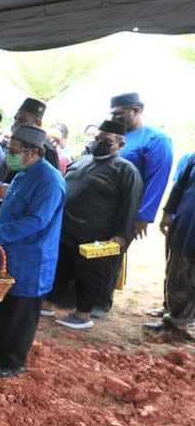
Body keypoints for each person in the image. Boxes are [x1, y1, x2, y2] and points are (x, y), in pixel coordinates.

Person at [0, 124, 67, 378]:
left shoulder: (49, 181)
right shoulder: (24, 172)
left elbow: (36, 221)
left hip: (30, 257)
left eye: (13, 151)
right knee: (2, 304)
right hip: (9, 253)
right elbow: (20, 200)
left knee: (21, 311)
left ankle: (13, 360)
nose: (9, 154)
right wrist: (5, 191)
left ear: (32, 152)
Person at [41, 120, 142, 329]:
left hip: (97, 236)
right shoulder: (82, 160)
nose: (99, 142)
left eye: (107, 140)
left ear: (120, 145)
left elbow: (130, 206)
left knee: (90, 275)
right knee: (60, 269)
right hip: (66, 229)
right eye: (98, 138)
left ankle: (83, 315)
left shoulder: (126, 170)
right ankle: (47, 304)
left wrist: (121, 236)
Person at [92, 93, 174, 318]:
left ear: (136, 110)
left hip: (126, 211)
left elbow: (158, 180)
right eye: (112, 114)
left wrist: (142, 216)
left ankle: (101, 300)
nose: (115, 118)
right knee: (91, 251)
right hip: (99, 208)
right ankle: (83, 295)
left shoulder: (156, 139)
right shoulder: (114, 135)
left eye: (119, 114)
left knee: (111, 253)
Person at [144, 152, 195, 335]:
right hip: (186, 226)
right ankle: (177, 321)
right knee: (178, 272)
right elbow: (179, 188)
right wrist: (168, 213)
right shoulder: (193, 158)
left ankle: (182, 320)